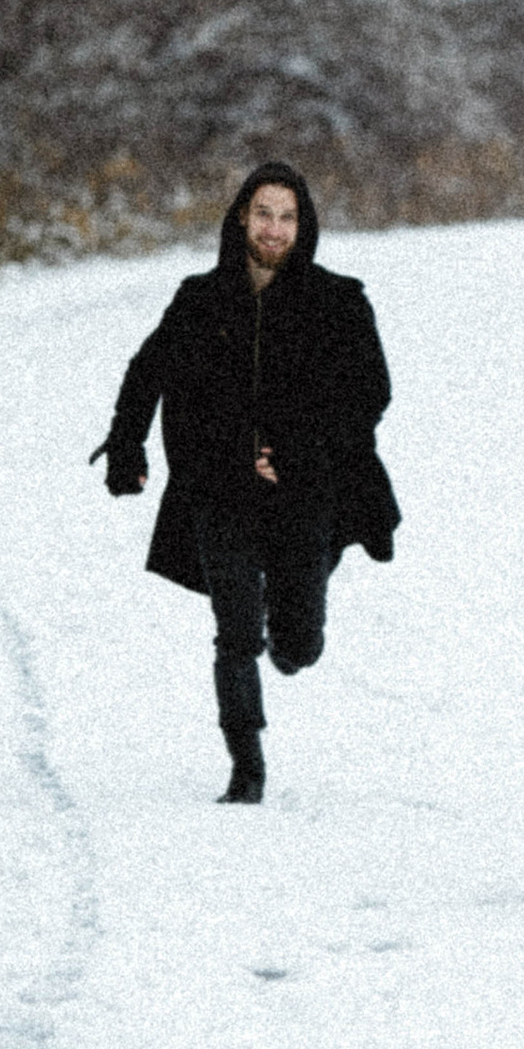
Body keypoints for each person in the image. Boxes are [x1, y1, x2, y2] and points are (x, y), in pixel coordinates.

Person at [96, 158, 398, 801]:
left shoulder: (339, 302)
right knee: (234, 628)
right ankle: (246, 766)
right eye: (264, 213)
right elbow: (146, 371)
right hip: (218, 488)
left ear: (304, 225)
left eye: (288, 217)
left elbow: (369, 393)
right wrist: (126, 443)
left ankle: (288, 644)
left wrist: (294, 445)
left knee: (298, 642)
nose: (274, 228)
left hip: (305, 493)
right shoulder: (199, 299)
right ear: (241, 216)